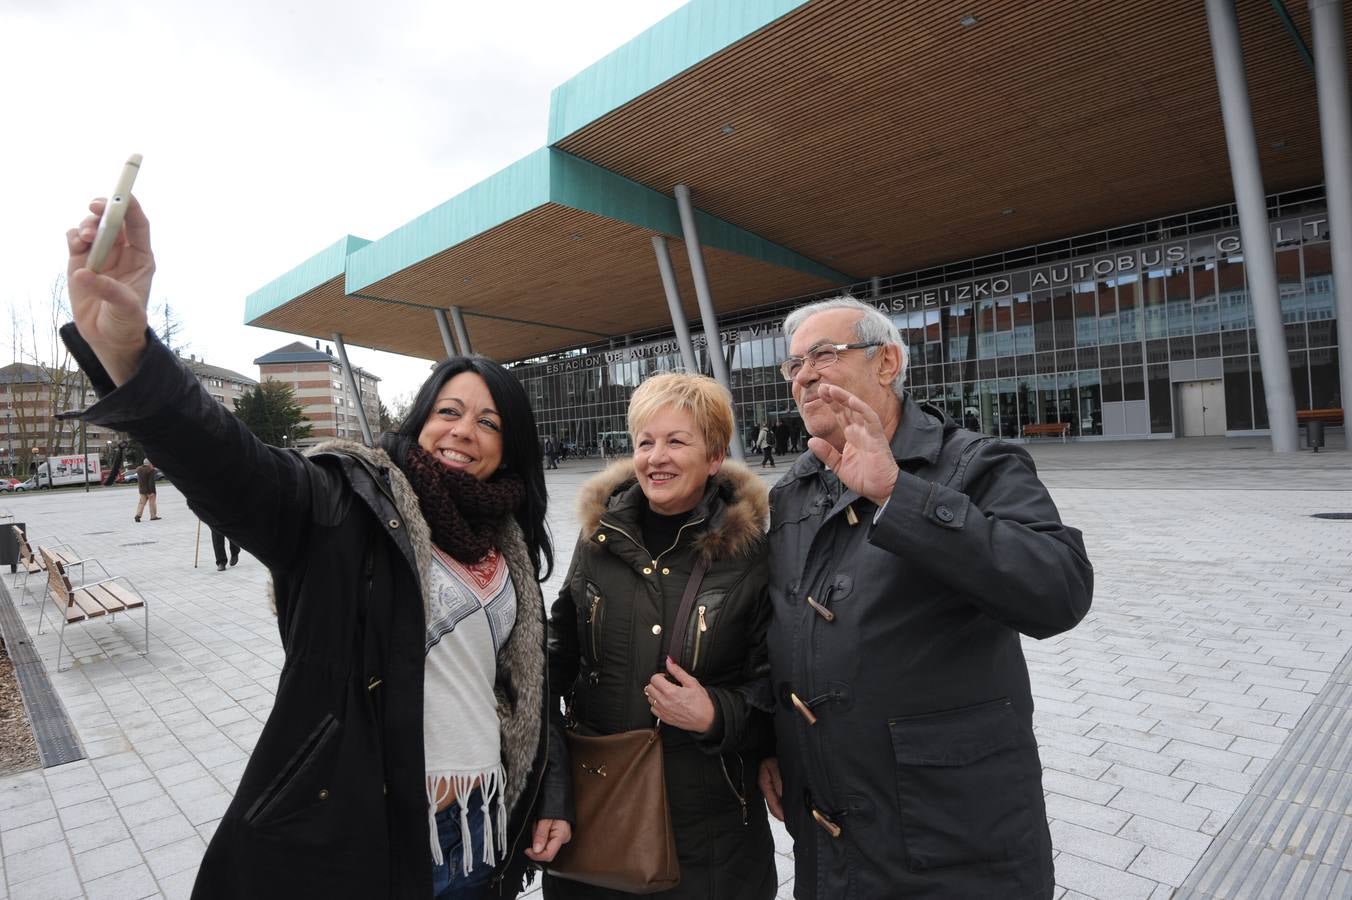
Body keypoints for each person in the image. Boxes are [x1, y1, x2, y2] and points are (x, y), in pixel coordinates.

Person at [63, 195, 573, 899]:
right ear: (419, 419)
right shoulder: (349, 503)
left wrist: (550, 793)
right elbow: (232, 466)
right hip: (367, 834)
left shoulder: (509, 544)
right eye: (448, 411)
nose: (464, 431)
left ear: (509, 446)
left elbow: (527, 691)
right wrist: (129, 351)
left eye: (488, 421)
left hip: (479, 834)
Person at [756, 296, 1094, 898]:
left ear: (887, 362)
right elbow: (777, 630)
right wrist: (769, 743)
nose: (803, 375)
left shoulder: (975, 465)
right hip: (831, 836)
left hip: (954, 837)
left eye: (823, 356)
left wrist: (897, 494)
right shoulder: (793, 491)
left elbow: (1059, 589)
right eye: (794, 365)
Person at [546, 372, 777, 900]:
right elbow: (561, 647)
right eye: (646, 442)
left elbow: (775, 686)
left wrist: (716, 713)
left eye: (677, 441)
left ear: (715, 456)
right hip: (602, 804)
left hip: (709, 825)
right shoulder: (599, 538)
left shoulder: (751, 555)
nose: (657, 457)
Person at [134, 457, 160, 521]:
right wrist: (152, 492)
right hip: (150, 490)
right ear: (150, 463)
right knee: (152, 503)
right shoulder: (151, 470)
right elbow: (151, 482)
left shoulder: (139, 470)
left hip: (142, 490)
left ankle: (138, 515)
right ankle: (153, 516)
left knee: (141, 503)